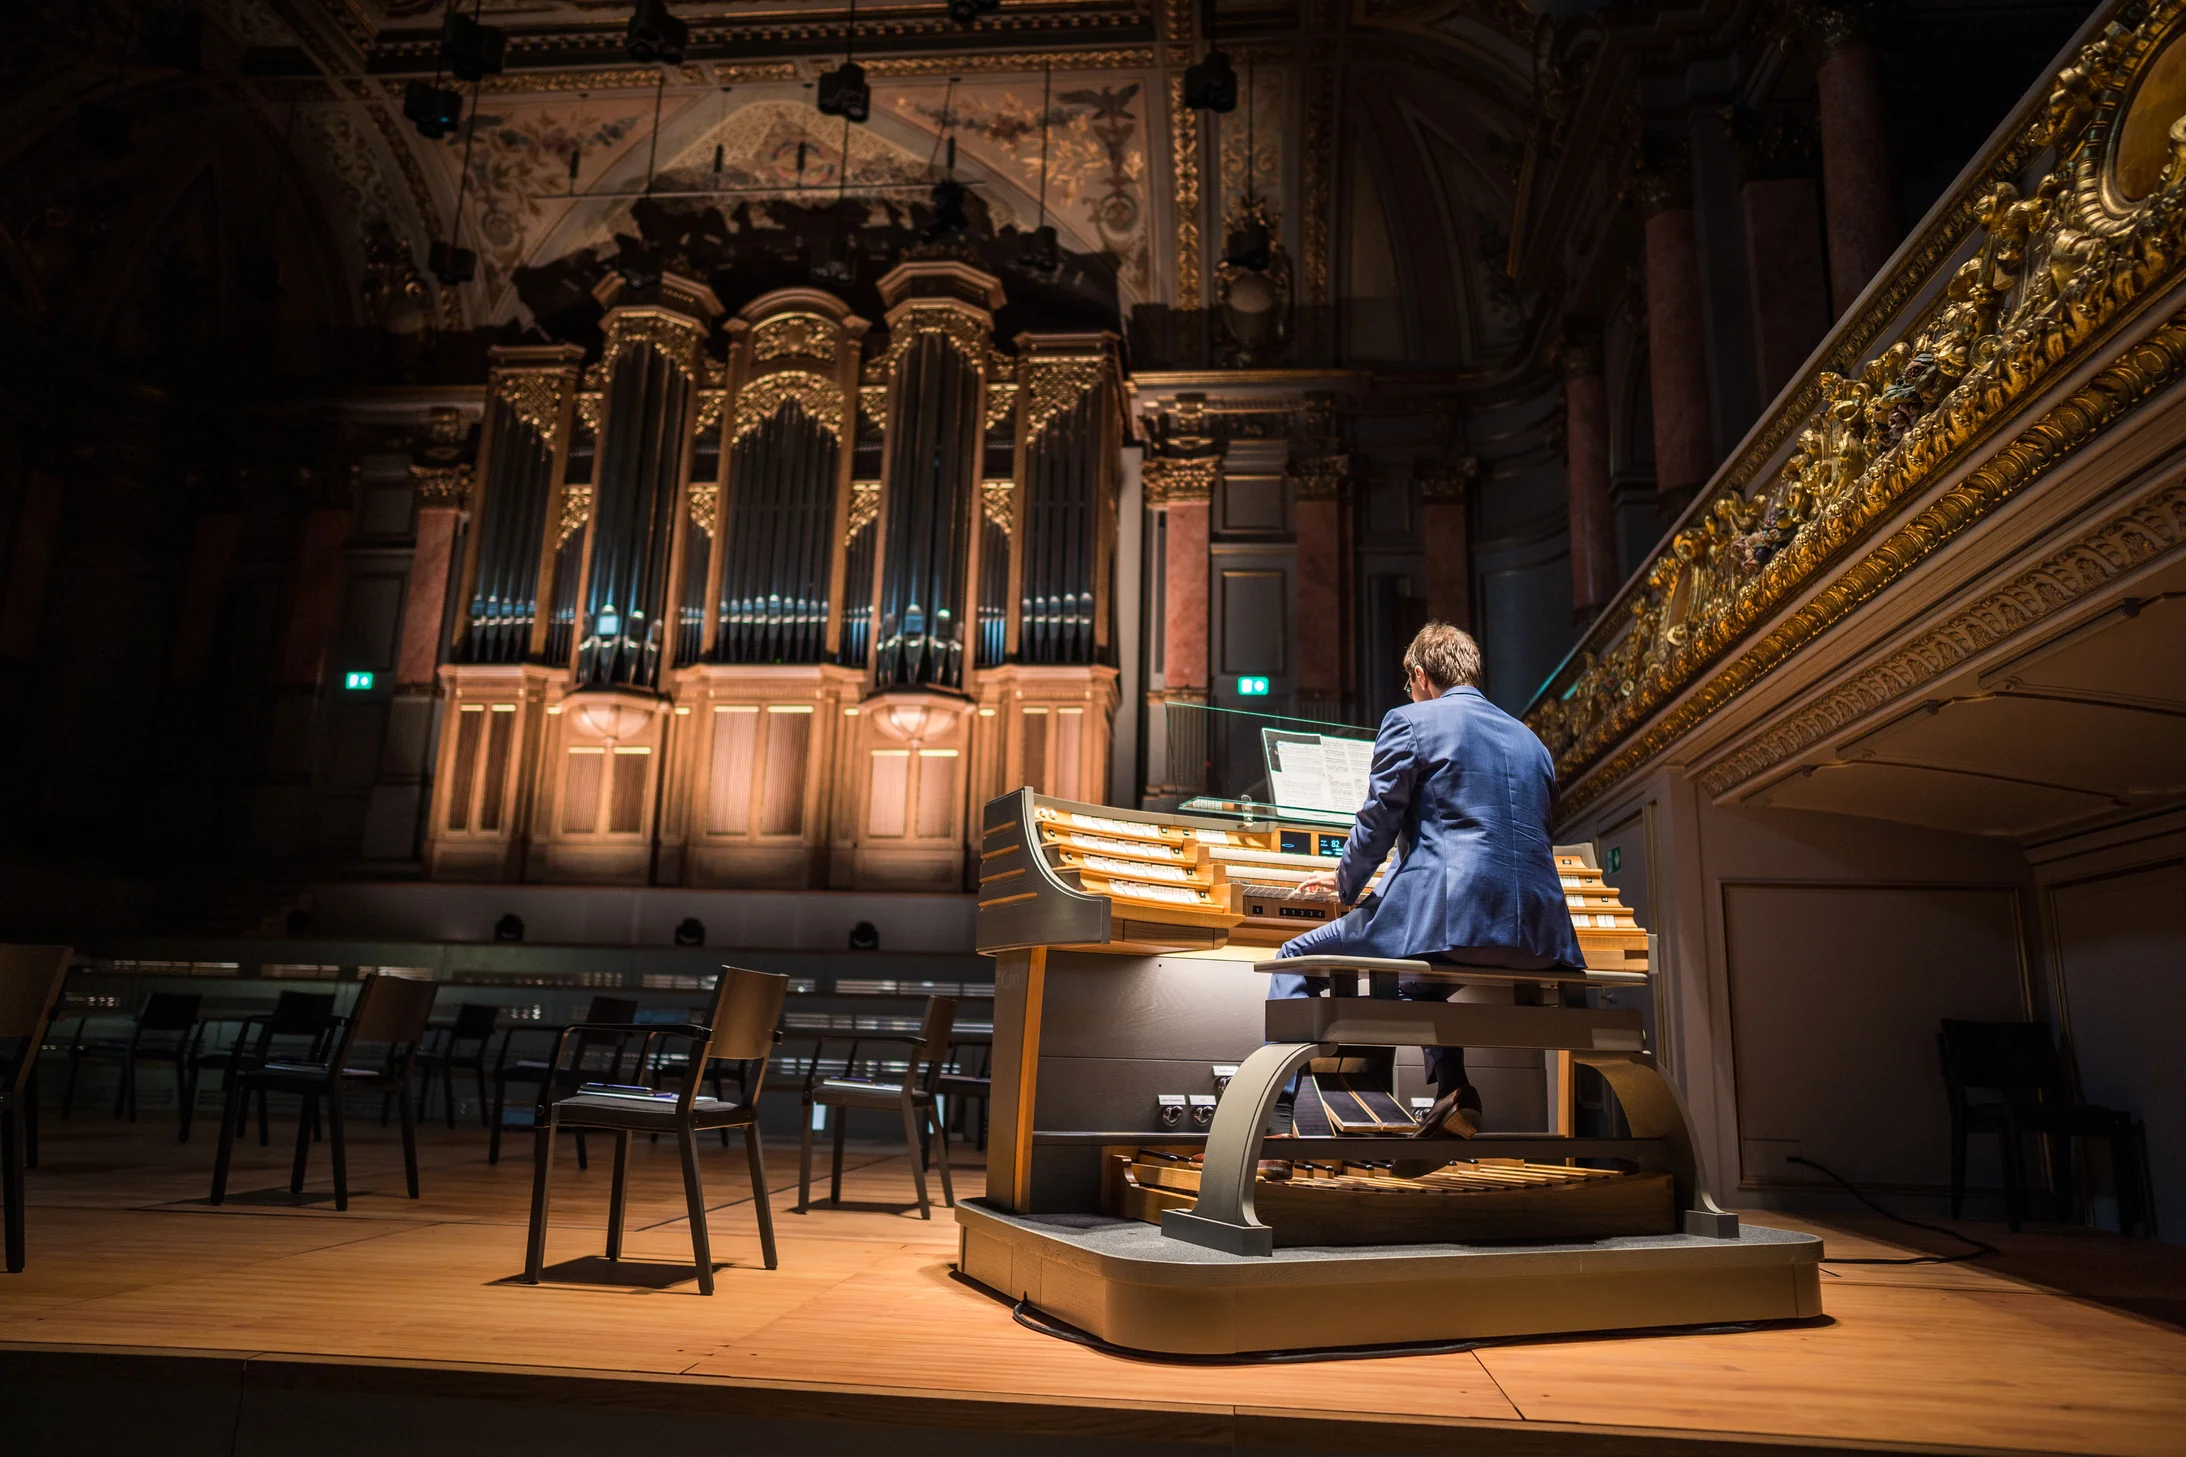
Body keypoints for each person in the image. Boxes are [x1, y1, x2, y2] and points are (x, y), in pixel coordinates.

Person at [1274, 621, 1585, 1144]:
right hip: (1539, 936)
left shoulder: (1411, 721)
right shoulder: (1533, 740)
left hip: (1451, 922)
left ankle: (1278, 1127)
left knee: (1292, 959)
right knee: (1420, 984)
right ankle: (1454, 1090)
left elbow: (1378, 822)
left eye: (1409, 684)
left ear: (1420, 676)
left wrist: (1344, 885)